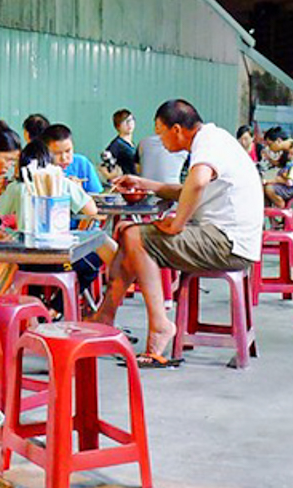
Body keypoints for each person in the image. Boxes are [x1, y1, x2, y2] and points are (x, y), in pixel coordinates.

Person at [91, 99, 263, 368]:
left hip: (227, 243)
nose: (160, 138)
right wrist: (145, 184)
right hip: (227, 239)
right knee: (126, 230)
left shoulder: (208, 143)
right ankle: (104, 316)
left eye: (160, 131)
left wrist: (177, 224)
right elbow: (189, 189)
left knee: (135, 236)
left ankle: (159, 325)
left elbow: (198, 183)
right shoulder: (213, 140)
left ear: (177, 129)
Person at [0, 139, 117, 295]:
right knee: (91, 264)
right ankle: (56, 308)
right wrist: (78, 191)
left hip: (25, 261)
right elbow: (92, 211)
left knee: (31, 279)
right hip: (58, 259)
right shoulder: (64, 183)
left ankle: (37, 307)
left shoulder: (16, 187)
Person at [41, 123, 103, 194]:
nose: (64, 158)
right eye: (57, 153)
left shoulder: (82, 164)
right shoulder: (40, 168)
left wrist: (79, 192)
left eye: (68, 151)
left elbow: (97, 197)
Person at [100, 109, 138, 182]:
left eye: (131, 120)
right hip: (125, 184)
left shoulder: (131, 144)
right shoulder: (116, 145)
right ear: (117, 126)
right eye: (124, 121)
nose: (129, 124)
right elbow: (105, 167)